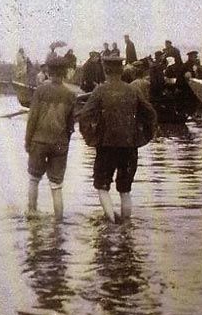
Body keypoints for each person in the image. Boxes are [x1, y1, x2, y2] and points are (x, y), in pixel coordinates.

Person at [78, 55, 158, 222]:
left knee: (102, 186)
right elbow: (150, 114)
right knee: (125, 189)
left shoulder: (100, 91)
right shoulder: (133, 90)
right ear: (122, 70)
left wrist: (91, 138)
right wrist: (143, 137)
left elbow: (85, 116)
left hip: (106, 146)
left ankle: (111, 224)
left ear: (106, 71)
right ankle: (126, 228)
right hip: (130, 146)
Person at [24, 57, 78, 220]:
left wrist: (27, 141)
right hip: (60, 144)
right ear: (64, 73)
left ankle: (32, 212)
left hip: (39, 141)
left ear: (49, 71)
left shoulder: (41, 91)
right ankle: (59, 222)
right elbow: (70, 125)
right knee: (56, 186)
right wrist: (65, 143)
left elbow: (32, 118)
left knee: (34, 179)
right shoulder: (70, 94)